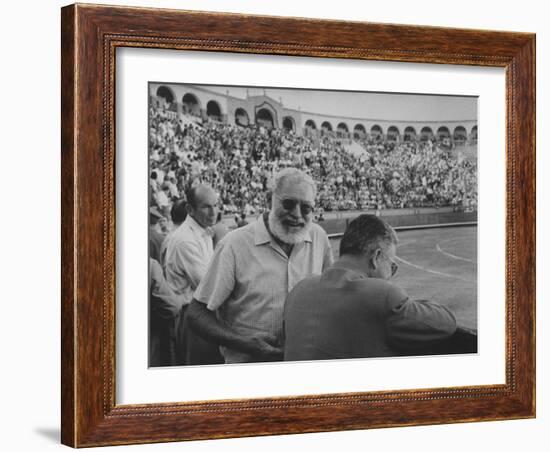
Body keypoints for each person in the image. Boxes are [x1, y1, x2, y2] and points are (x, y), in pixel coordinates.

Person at [187, 168, 334, 364]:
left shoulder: (319, 237)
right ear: (268, 199)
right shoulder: (234, 245)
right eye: (288, 204)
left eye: (306, 208)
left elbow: (330, 298)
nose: (297, 215)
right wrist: (244, 343)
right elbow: (197, 313)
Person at [283, 214, 458, 361]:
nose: (391, 273)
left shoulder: (299, 290)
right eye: (391, 266)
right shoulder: (382, 297)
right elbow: (446, 322)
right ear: (376, 257)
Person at [163, 184, 223, 365]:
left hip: (201, 313)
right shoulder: (185, 240)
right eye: (206, 206)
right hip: (191, 316)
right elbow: (208, 286)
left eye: (216, 205)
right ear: (190, 209)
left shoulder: (202, 232)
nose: (214, 212)